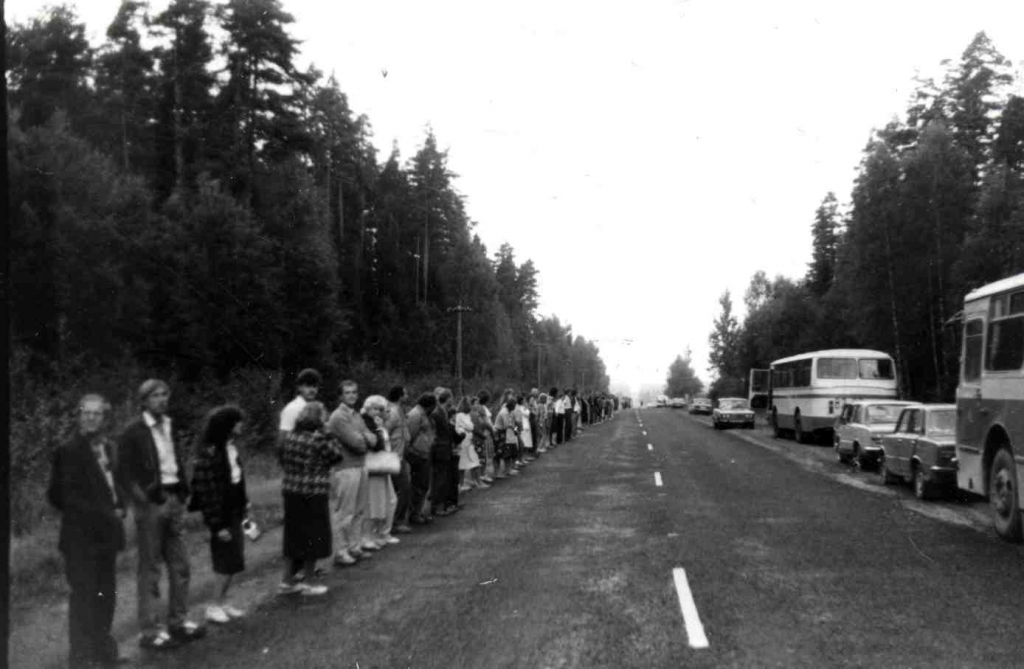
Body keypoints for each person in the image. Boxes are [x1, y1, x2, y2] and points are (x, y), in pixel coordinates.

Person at [116, 379, 205, 650]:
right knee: (150, 569)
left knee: (181, 565)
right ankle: (150, 631)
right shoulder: (133, 431)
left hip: (174, 498)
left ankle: (178, 621)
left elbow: (175, 459)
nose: (162, 399)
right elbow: (123, 472)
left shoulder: (170, 424)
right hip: (151, 504)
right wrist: (142, 500)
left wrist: (183, 491)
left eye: (165, 394)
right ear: (144, 401)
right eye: (155, 395)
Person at [48, 394, 127, 667]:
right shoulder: (68, 450)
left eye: (97, 413)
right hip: (80, 540)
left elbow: (116, 486)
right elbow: (60, 496)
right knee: (83, 598)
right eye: (86, 412)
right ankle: (81, 660)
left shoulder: (109, 448)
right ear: (78, 415)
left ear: (105, 418)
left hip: (107, 538)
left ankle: (104, 654)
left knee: (106, 596)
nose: (91, 417)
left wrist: (121, 505)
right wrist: (106, 513)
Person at [188, 406, 249, 624]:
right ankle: (213, 605)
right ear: (228, 425)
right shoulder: (209, 453)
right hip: (221, 512)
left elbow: (236, 478)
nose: (241, 425)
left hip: (234, 508)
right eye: (237, 421)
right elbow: (206, 492)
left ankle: (223, 601)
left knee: (234, 558)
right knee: (225, 559)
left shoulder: (230, 447)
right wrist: (217, 525)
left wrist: (244, 503)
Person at [278, 401, 339, 596]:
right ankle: (310, 581)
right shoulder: (319, 438)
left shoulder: (291, 436)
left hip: (291, 491)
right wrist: (328, 432)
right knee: (313, 537)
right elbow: (336, 456)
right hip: (313, 491)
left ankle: (287, 581)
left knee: (294, 537)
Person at [327, 380, 377, 566]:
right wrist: (364, 437)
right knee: (344, 512)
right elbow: (357, 443)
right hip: (345, 468)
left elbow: (373, 439)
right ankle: (341, 551)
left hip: (360, 465)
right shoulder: (338, 417)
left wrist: (364, 437)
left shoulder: (356, 415)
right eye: (348, 392)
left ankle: (354, 546)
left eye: (354, 392)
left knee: (359, 510)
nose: (352, 395)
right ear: (341, 395)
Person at [361, 395, 399, 547]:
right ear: (368, 408)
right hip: (373, 465)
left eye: (380, 409)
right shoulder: (367, 423)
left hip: (382, 465)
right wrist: (378, 428)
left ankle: (382, 533)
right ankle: (370, 536)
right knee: (375, 503)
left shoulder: (377, 423)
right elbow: (376, 444)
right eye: (374, 408)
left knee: (389, 500)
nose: (377, 411)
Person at [384, 386, 413, 534]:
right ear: (400, 396)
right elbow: (382, 431)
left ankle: (394, 520)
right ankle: (397, 521)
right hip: (394, 456)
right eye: (405, 393)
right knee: (404, 488)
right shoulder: (393, 412)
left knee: (399, 489)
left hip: (399, 455)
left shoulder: (398, 410)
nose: (407, 396)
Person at [405, 392, 437, 525]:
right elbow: (410, 435)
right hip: (416, 455)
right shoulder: (415, 414)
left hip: (424, 453)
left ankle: (418, 512)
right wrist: (412, 452)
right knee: (418, 485)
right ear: (429, 405)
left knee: (423, 485)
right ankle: (414, 514)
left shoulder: (424, 414)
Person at [430, 387, 459, 516]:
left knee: (443, 479)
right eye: (451, 398)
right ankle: (437, 507)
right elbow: (439, 432)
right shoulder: (437, 413)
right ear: (447, 399)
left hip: (445, 449)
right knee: (439, 480)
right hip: (440, 450)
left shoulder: (443, 412)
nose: (452, 400)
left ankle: (442, 505)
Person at [279, 368, 321, 446]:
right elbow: (282, 441)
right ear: (300, 388)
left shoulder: (317, 407)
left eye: (314, 386)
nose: (312, 390)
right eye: (308, 386)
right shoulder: (292, 409)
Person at [455, 396, 480, 492]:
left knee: (473, 461)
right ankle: (460, 484)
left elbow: (470, 427)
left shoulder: (467, 415)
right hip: (463, 442)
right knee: (461, 465)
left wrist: (470, 427)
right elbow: (470, 427)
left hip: (468, 442)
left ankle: (473, 481)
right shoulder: (460, 415)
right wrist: (470, 427)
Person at [471, 390, 496, 483]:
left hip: (482, 433)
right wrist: (493, 431)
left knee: (483, 454)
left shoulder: (480, 408)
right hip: (485, 433)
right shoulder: (481, 408)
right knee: (485, 454)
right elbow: (486, 423)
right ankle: (483, 475)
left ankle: (482, 474)